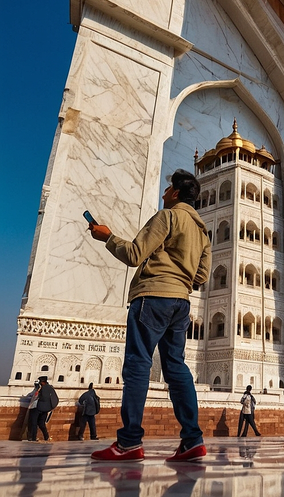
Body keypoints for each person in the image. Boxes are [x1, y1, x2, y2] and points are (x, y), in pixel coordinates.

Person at [88, 169, 211, 462]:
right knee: (176, 368)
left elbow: (133, 254)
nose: (164, 194)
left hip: (152, 297)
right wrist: (180, 280)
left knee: (138, 365)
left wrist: (107, 237)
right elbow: (202, 275)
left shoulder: (167, 217)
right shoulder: (202, 231)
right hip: (181, 304)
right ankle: (192, 440)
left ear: (177, 193)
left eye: (168, 190)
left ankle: (130, 442)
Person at [29, 376, 59, 442]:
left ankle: (33, 438)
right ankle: (46, 436)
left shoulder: (42, 388)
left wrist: (38, 392)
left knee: (34, 423)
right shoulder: (51, 388)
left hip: (38, 408)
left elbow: (42, 397)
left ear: (41, 382)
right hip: (46, 409)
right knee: (41, 423)